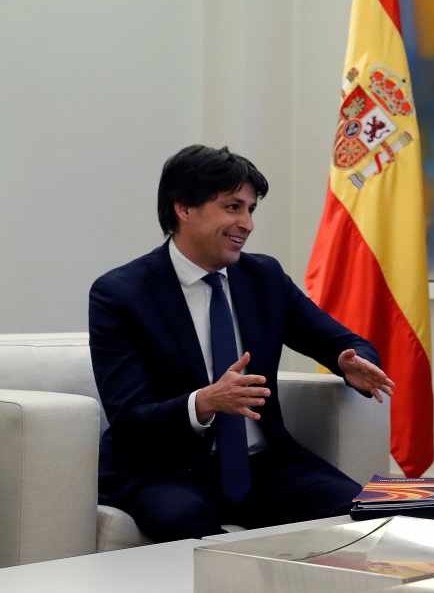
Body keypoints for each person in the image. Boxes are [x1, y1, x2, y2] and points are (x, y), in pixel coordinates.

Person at [89, 145, 395, 542]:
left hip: (263, 462)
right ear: (183, 209)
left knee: (358, 510)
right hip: (164, 469)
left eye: (251, 210)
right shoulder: (121, 294)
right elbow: (128, 417)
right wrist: (204, 402)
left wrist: (349, 360)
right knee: (185, 523)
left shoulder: (262, 277)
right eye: (233, 208)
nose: (247, 224)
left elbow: (339, 340)